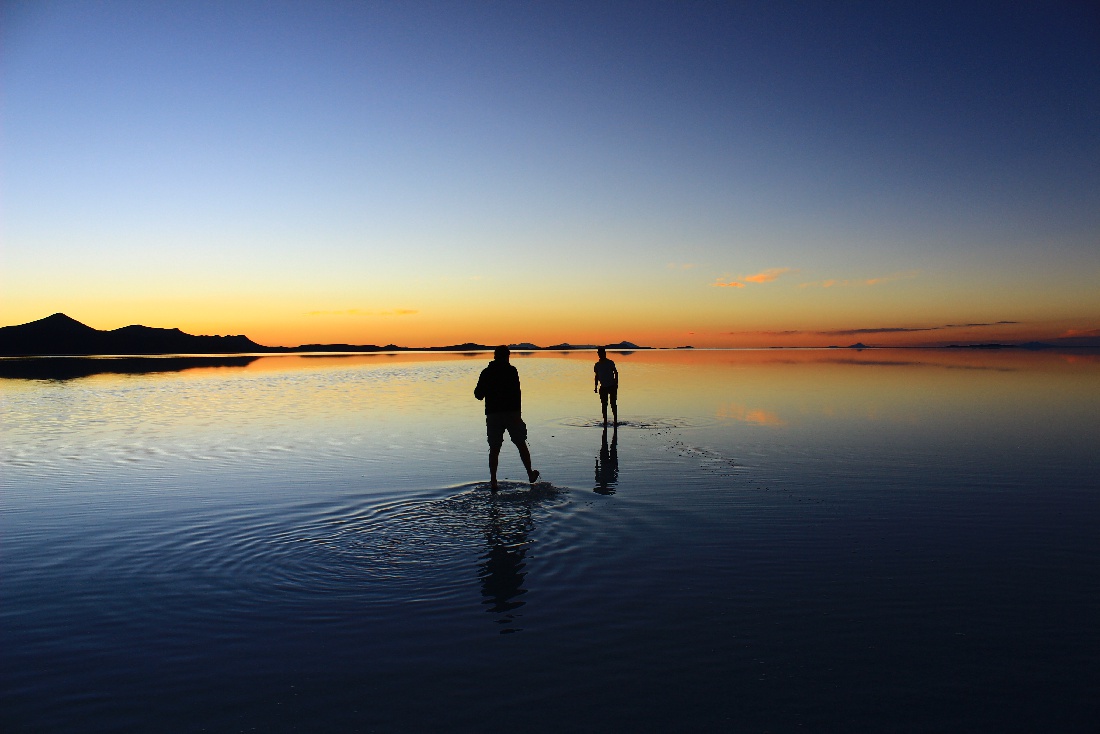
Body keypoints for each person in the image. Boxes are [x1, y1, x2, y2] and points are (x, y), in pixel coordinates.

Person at [474, 346, 539, 491]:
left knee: (494, 448)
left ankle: (493, 481)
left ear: (495, 356)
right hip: (512, 413)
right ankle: (530, 473)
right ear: (507, 356)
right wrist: (519, 415)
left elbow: (478, 395)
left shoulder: (486, 372)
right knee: (521, 443)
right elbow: (518, 393)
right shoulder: (512, 371)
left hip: (493, 414)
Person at [593, 346, 619, 425]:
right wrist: (596, 387)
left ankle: (615, 421)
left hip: (612, 386)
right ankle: (605, 421)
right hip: (603, 387)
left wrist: (616, 383)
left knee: (613, 403)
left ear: (605, 353)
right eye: (599, 353)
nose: (600, 355)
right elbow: (596, 376)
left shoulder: (610, 362)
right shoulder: (597, 365)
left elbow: (616, 372)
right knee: (604, 404)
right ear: (598, 354)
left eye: (602, 353)